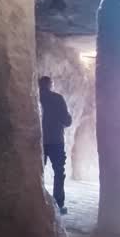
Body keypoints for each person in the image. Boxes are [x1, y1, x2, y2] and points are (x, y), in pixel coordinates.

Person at [39, 76, 73, 215]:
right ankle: (58, 205)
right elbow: (66, 120)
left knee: (37, 172)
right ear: (50, 85)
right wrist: (69, 117)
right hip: (56, 141)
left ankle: (39, 203)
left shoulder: (35, 98)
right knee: (59, 172)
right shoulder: (57, 98)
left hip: (39, 142)